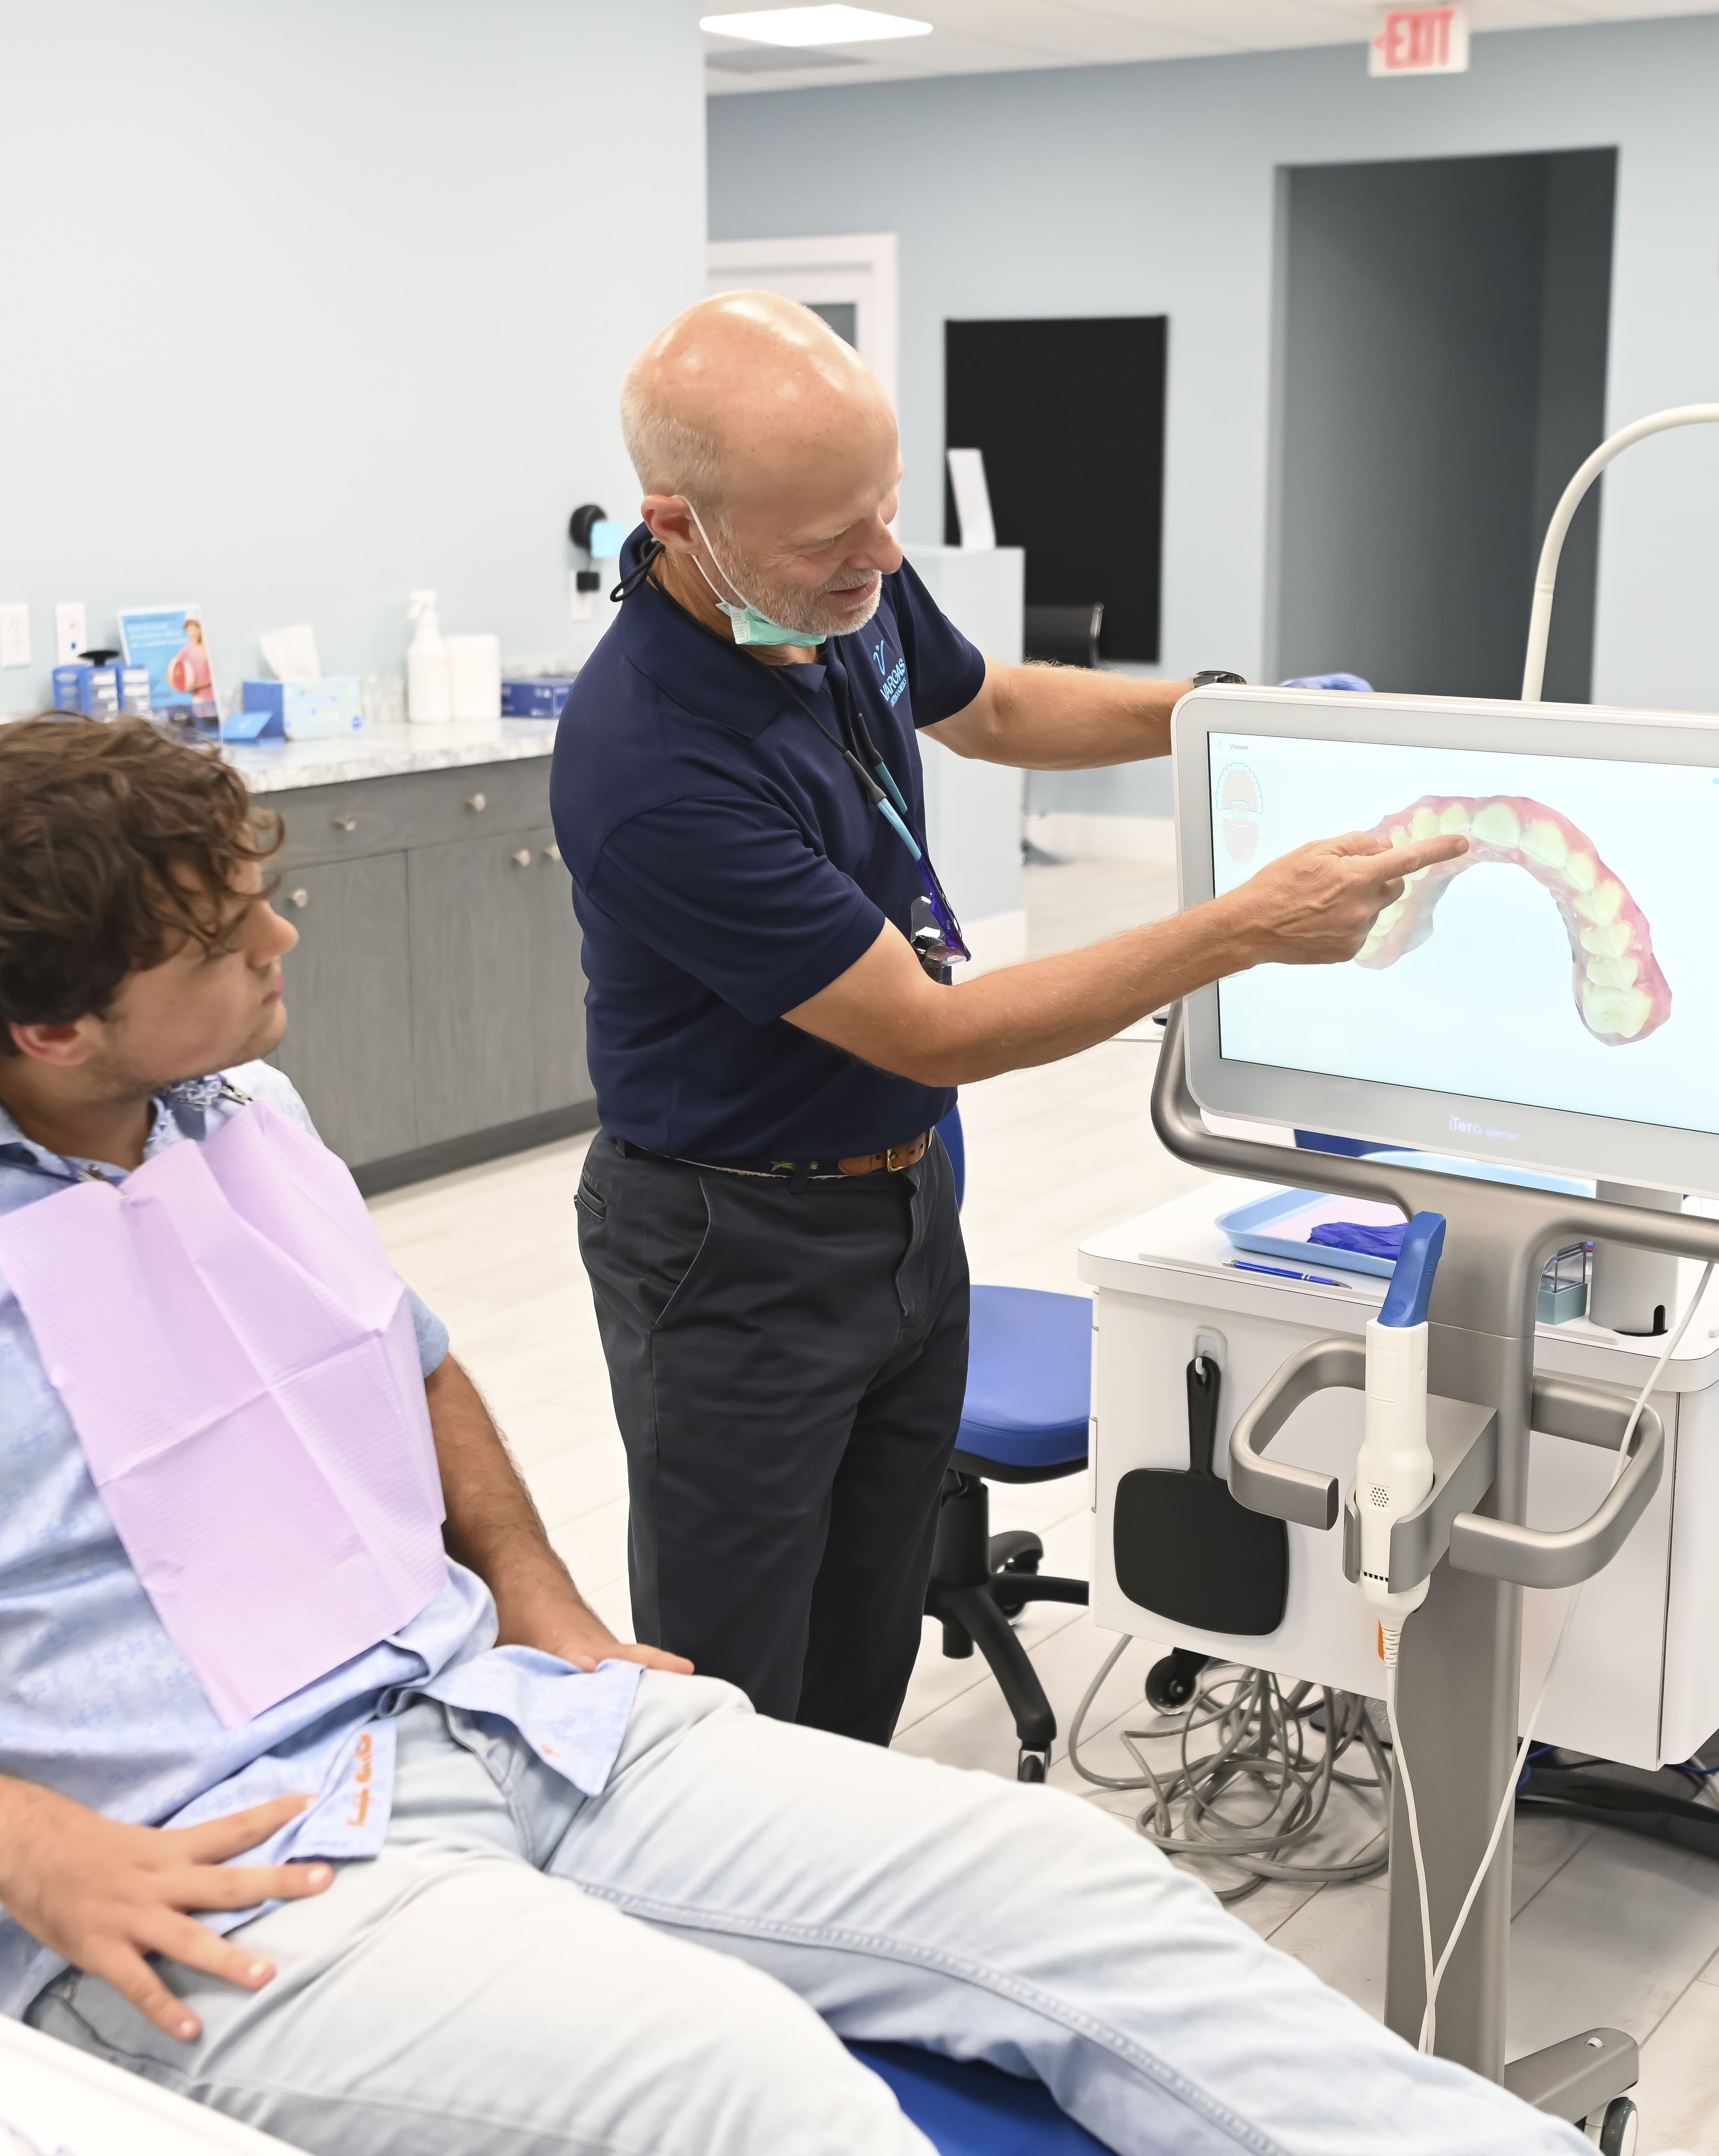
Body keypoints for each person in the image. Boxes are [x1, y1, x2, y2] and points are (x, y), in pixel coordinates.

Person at [0, 718, 1570, 2156]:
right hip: (230, 1870)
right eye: (226, 945)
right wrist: (17, 1840)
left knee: (1072, 1890)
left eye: (266, 904)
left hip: (510, 1723)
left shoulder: (232, 1120)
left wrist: (541, 1596)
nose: (284, 952)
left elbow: (412, 1357)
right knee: (754, 2093)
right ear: (53, 1028)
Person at [554, 292, 1463, 1740]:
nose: (878, 559)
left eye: (886, 509)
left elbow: (990, 711)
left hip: (908, 1200)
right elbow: (937, 1030)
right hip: (735, 1252)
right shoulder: (656, 761)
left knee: (865, 1643)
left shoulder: (830, 583)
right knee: (736, 1696)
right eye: (827, 537)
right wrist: (1247, 928)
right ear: (679, 524)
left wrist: (1226, 713)